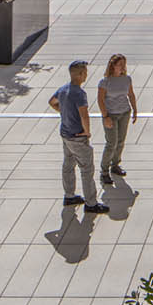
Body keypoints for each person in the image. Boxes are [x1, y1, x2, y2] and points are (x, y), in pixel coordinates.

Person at [49, 60, 108, 213]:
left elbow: (52, 102)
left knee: (68, 165)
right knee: (86, 169)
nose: (86, 75)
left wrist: (63, 112)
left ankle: (69, 195)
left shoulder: (63, 89)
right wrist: (87, 132)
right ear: (80, 74)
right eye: (85, 72)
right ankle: (91, 203)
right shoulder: (79, 93)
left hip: (65, 134)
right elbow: (84, 115)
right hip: (77, 137)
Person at [98, 53, 138, 185]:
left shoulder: (127, 79)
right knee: (111, 143)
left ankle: (115, 165)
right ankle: (104, 171)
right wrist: (105, 116)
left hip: (124, 112)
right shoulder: (105, 82)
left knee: (120, 141)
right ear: (113, 65)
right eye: (119, 64)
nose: (122, 67)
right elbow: (100, 100)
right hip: (111, 114)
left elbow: (131, 94)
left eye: (123, 64)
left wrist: (134, 109)